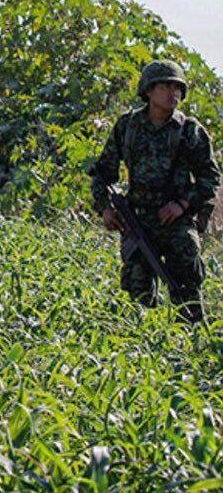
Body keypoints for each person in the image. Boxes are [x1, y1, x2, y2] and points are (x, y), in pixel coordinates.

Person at [90, 60, 219, 324]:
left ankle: (191, 349)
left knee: (187, 290)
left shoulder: (190, 131)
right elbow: (102, 173)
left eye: (178, 87)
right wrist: (105, 208)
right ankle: (144, 353)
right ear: (148, 90)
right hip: (138, 221)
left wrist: (182, 205)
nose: (173, 93)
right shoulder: (127, 127)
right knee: (138, 294)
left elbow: (210, 178)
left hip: (176, 222)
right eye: (165, 86)